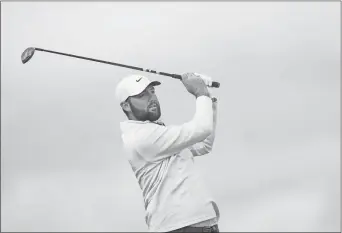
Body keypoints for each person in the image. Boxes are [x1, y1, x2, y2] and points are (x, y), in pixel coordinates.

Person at [115, 72, 220, 232]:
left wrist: (208, 98)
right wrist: (200, 93)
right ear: (126, 106)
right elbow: (202, 129)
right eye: (142, 95)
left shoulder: (157, 133)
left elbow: (203, 144)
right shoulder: (140, 137)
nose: (151, 98)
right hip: (179, 227)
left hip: (199, 225)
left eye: (152, 92)